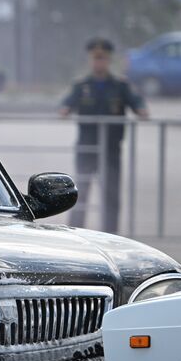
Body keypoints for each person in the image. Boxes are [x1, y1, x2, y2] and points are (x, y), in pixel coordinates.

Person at [59, 38, 149, 233]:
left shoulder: (120, 86)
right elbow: (65, 105)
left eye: (103, 59)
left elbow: (138, 105)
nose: (99, 63)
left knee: (111, 196)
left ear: (109, 60)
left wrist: (141, 110)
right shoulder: (81, 85)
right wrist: (64, 109)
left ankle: (110, 235)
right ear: (90, 60)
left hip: (110, 149)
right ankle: (75, 234)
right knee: (79, 194)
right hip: (87, 148)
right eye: (95, 59)